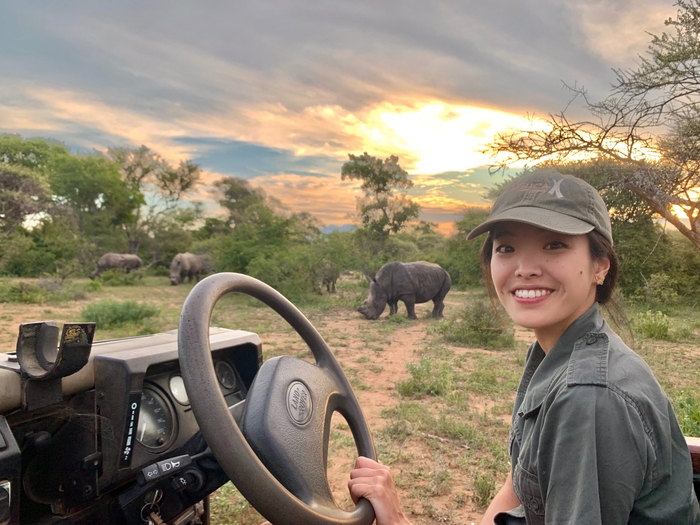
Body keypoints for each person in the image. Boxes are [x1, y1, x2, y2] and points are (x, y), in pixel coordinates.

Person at [348, 170, 700, 524]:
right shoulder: (556, 353)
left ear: (600, 266)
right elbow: (517, 486)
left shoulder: (589, 395)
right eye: (506, 248)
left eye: (554, 244)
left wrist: (395, 521)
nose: (525, 268)